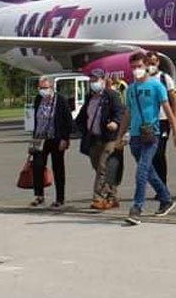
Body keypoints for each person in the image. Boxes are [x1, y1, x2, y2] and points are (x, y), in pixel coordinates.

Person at [119, 52, 176, 225]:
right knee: (150, 173)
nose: (136, 70)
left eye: (139, 66)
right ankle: (166, 199)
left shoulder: (157, 86)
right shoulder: (130, 89)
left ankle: (137, 208)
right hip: (135, 136)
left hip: (151, 134)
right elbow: (127, 113)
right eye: (133, 67)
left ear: (146, 66)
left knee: (142, 171)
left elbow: (168, 110)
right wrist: (120, 135)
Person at [78, 69, 125, 211]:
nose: (93, 83)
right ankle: (112, 197)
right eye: (91, 80)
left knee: (103, 168)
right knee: (98, 167)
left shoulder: (111, 95)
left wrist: (115, 122)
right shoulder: (89, 98)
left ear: (103, 80)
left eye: (96, 80)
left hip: (109, 138)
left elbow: (121, 111)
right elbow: (82, 117)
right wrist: (81, 129)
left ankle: (98, 198)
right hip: (94, 138)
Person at [29, 77, 73, 208]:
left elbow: (68, 121)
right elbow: (37, 120)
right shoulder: (38, 100)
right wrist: (33, 140)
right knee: (37, 166)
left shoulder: (60, 101)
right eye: (41, 88)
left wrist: (65, 139)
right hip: (39, 138)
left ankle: (60, 198)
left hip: (56, 138)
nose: (43, 91)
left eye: (46, 88)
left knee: (58, 167)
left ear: (52, 87)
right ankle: (39, 195)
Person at [145, 51, 176, 184]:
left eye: (153, 63)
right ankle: (156, 183)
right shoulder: (142, 79)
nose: (151, 65)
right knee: (149, 155)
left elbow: (174, 100)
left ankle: (162, 184)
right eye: (148, 63)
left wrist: (174, 121)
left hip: (162, 120)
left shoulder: (165, 78)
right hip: (147, 121)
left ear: (158, 63)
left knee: (159, 153)